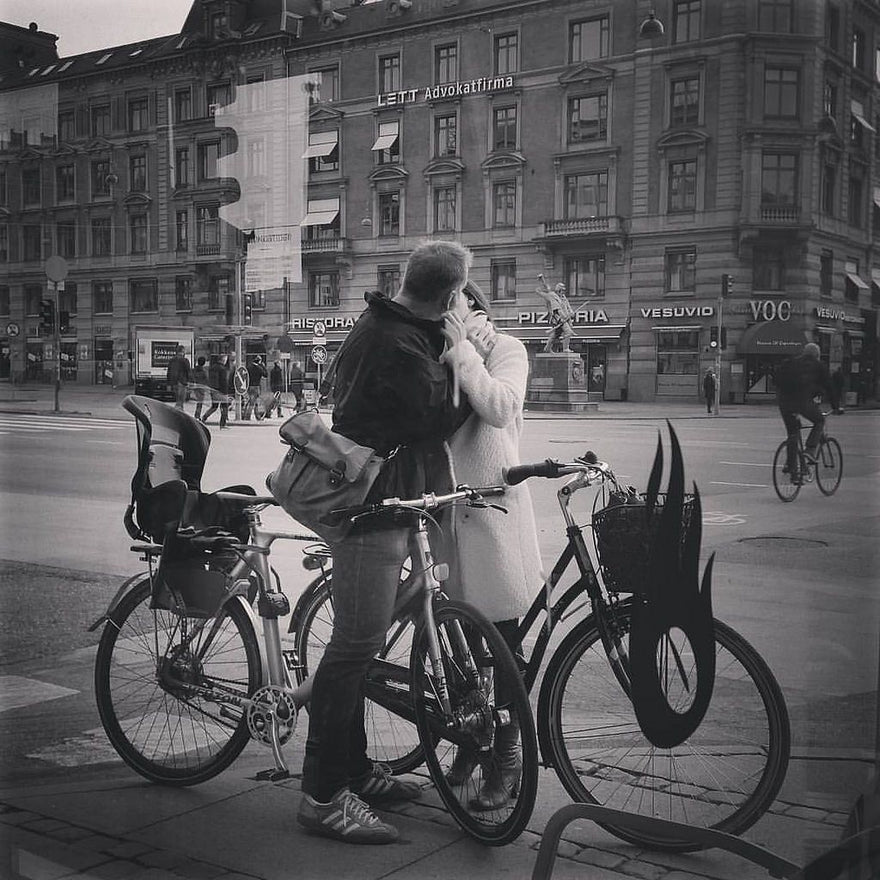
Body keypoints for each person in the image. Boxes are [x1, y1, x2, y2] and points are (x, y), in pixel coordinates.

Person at [296, 240, 472, 845]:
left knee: (360, 646)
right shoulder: (395, 341)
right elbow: (440, 416)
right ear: (450, 295)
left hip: (390, 500)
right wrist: (459, 354)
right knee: (354, 647)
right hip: (373, 508)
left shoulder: (390, 327)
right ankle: (322, 796)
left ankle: (353, 771)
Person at [439, 279, 543, 810]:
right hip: (447, 512)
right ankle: (471, 740)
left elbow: (501, 407)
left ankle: (507, 754)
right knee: (457, 644)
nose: (443, 312)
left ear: (474, 306)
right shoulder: (438, 353)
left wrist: (465, 353)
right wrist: (451, 354)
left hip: (494, 514)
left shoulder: (507, 348)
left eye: (451, 303)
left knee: (502, 646)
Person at [775, 342, 840, 483]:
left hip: (784, 402)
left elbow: (777, 380)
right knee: (819, 420)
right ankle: (810, 450)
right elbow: (829, 386)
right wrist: (836, 406)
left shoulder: (792, 362)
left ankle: (792, 470)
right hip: (802, 401)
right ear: (817, 355)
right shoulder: (818, 366)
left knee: (793, 434)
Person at [535, 275, 575, 353]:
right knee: (568, 332)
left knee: (555, 334)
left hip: (566, 318)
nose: (563, 292)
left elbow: (568, 307)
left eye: (564, 290)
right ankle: (565, 348)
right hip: (558, 319)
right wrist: (564, 317)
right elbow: (557, 309)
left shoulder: (563, 298)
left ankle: (547, 348)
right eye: (562, 290)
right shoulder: (553, 296)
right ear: (558, 290)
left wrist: (571, 312)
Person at [201, 353, 231, 429]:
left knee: (214, 406)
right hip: (222, 391)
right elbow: (224, 381)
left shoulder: (212, 368)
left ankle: (204, 417)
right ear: (223, 360)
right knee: (225, 407)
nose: (226, 361)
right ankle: (222, 424)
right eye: (225, 359)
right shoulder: (223, 369)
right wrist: (226, 392)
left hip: (213, 389)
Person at [166, 346, 191, 410]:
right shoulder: (185, 360)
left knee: (178, 398)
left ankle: (179, 410)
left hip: (174, 382)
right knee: (181, 399)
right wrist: (189, 382)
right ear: (183, 351)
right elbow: (188, 371)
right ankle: (178, 411)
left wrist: (168, 384)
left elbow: (169, 372)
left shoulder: (172, 360)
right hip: (182, 382)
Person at [242, 355, 267, 420]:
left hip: (249, 386)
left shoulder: (248, 367)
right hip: (256, 386)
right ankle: (248, 416)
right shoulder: (259, 368)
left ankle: (257, 416)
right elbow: (265, 375)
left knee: (253, 401)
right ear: (259, 361)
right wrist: (263, 366)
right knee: (252, 402)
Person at [191, 356, 209, 421]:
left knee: (199, 402)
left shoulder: (194, 370)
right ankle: (197, 415)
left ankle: (197, 415)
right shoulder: (204, 371)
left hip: (195, 387)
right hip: (201, 387)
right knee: (200, 402)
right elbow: (206, 379)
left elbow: (191, 377)